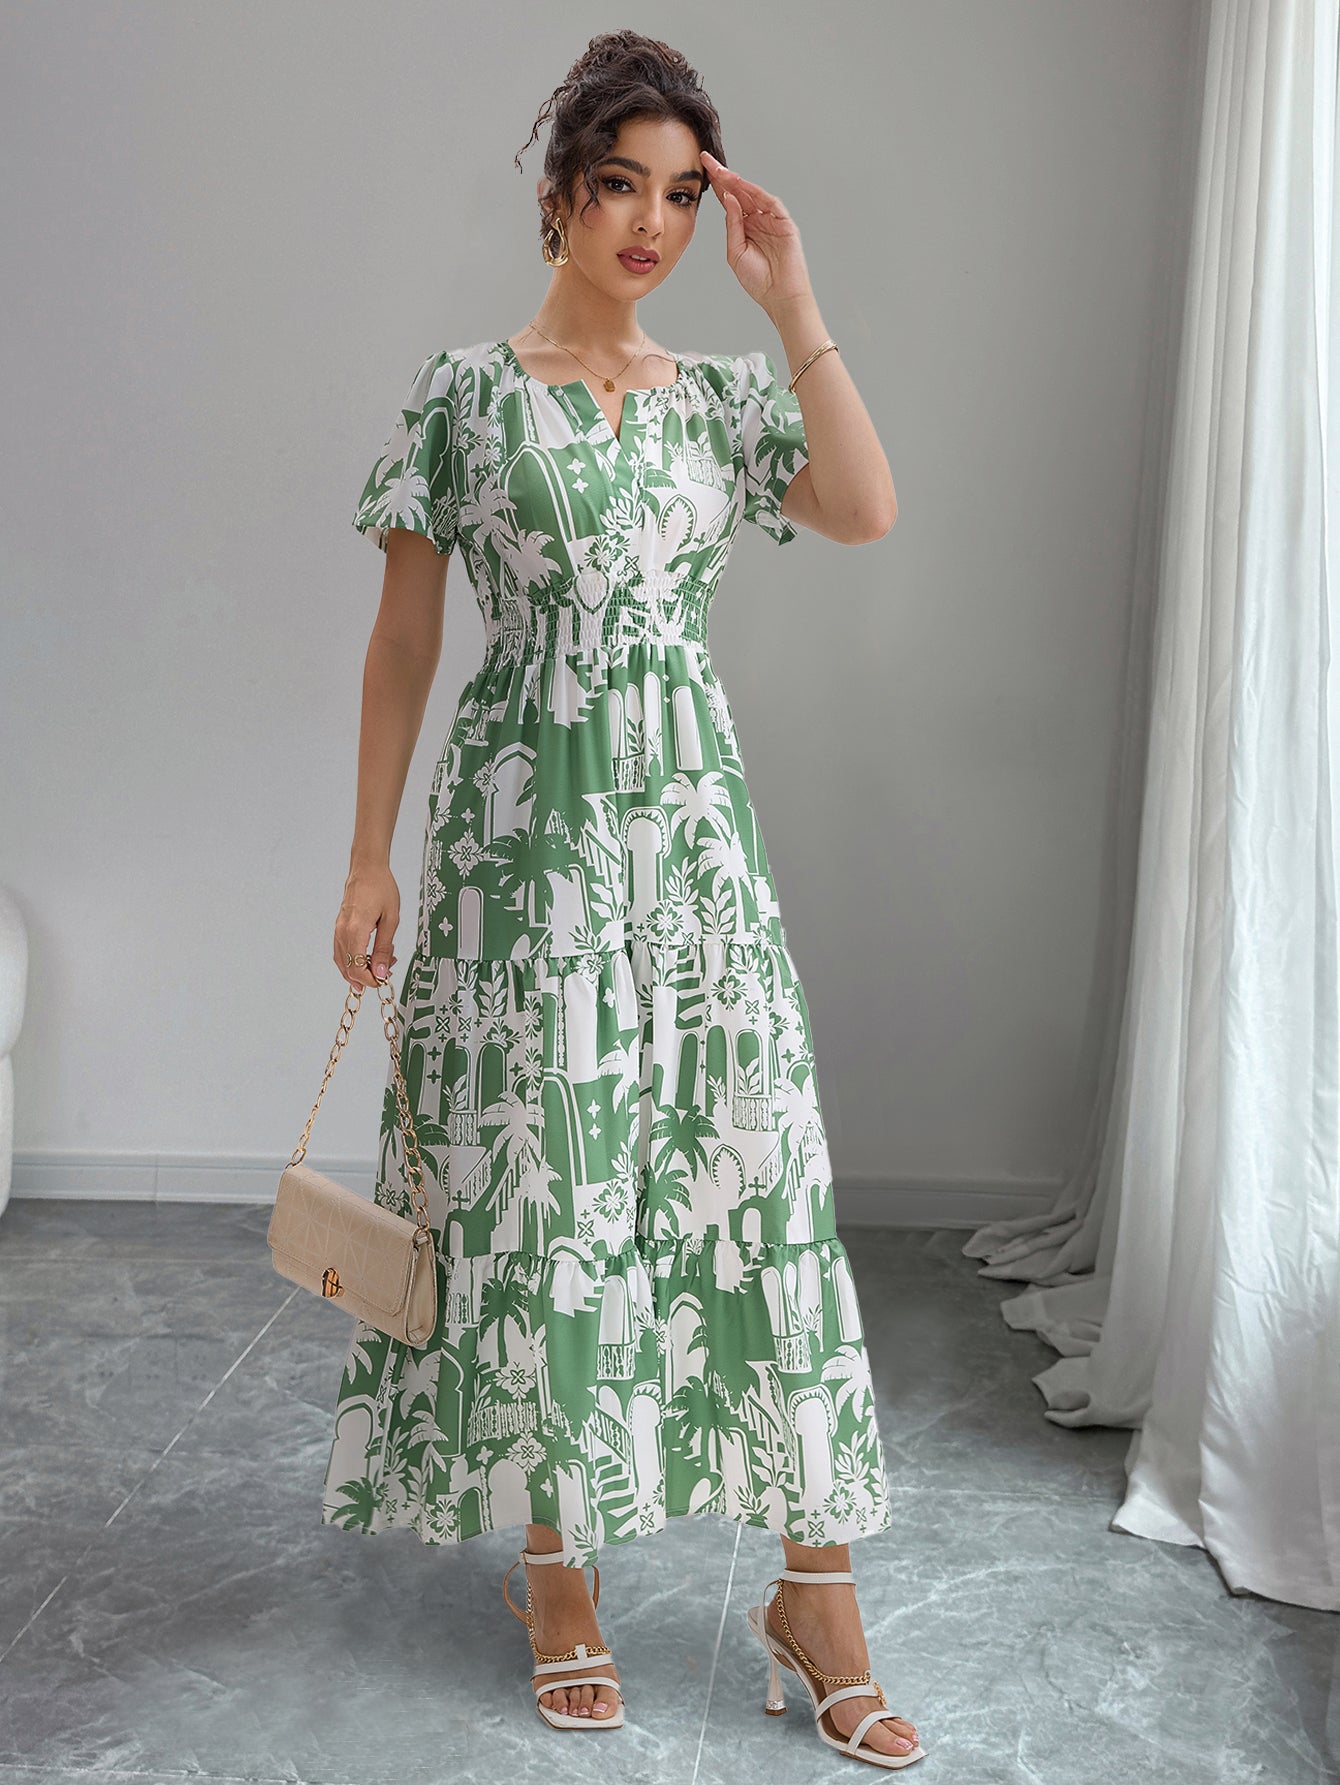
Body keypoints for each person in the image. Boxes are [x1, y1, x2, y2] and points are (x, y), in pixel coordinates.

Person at [320, 29, 922, 1771]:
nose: (653, 224)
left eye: (681, 195)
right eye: (623, 188)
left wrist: (791, 298)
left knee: (753, 1182)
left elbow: (870, 508)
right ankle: (559, 1564)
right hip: (528, 854)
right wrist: (367, 853)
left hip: (694, 850)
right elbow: (404, 637)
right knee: (552, 1199)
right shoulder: (466, 396)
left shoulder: (725, 401)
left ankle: (819, 1593)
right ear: (558, 196)